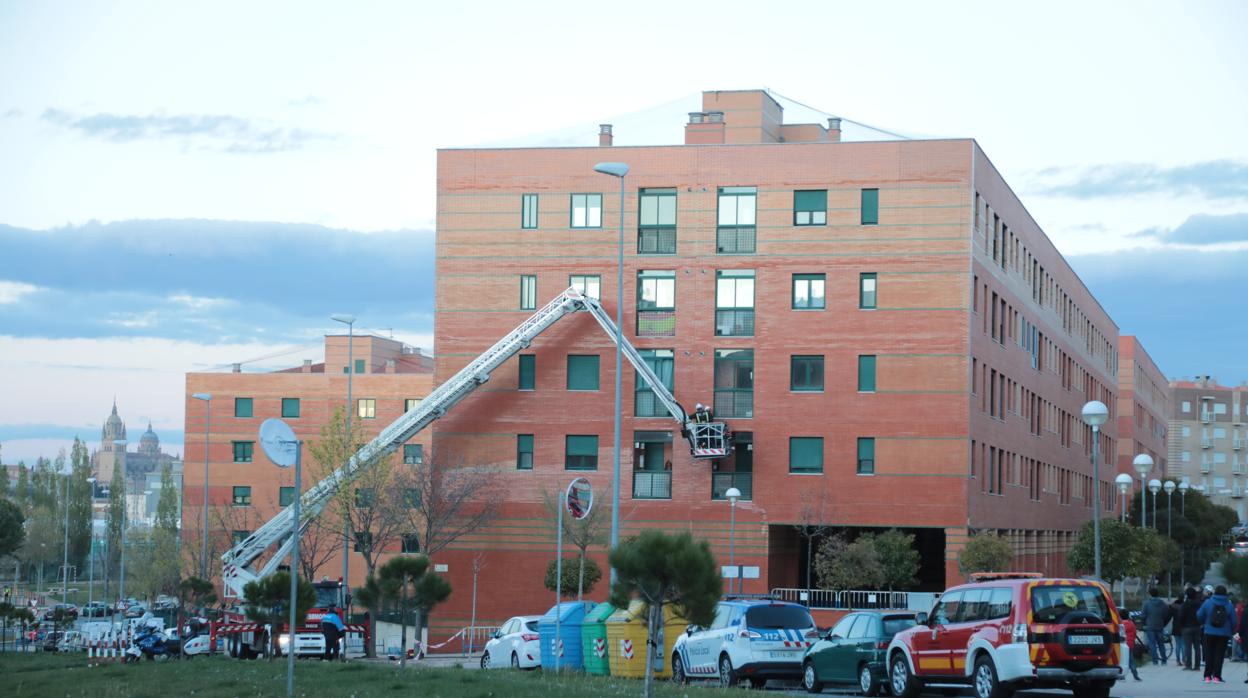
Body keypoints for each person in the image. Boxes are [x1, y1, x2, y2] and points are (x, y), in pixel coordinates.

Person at [1197, 584, 1237, 683]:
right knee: (1219, 655)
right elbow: (1234, 621)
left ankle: (1207, 676)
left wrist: (1204, 623)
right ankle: (1217, 676)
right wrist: (1230, 630)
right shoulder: (1229, 604)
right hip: (1224, 633)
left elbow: (1199, 615)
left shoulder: (1208, 602)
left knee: (1209, 653)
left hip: (1209, 632)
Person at [1141, 587, 1171, 665]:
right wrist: (1163, 623)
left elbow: (1143, 616)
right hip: (1160, 626)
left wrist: (1144, 623)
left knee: (1152, 644)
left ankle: (1155, 660)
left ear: (1150, 594)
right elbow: (1167, 615)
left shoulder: (1146, 604)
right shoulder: (1163, 604)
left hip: (1150, 626)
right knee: (1161, 643)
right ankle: (1164, 660)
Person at [1180, 586, 1204, 670]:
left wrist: (1182, 625)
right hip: (1197, 627)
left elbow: (1181, 616)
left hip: (1186, 627)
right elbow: (1202, 615)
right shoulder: (1199, 604)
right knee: (1197, 647)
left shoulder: (1185, 605)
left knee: (1188, 647)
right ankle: (1197, 666)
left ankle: (1188, 665)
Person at [1120, 608, 1142, 681]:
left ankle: (1122, 676)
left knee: (1121, 660)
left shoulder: (1120, 625)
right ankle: (1135, 675)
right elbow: (1135, 633)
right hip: (1130, 644)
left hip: (1122, 645)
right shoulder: (1131, 623)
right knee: (1131, 660)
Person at [1171, 593, 1186, 666]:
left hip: (1175, 626)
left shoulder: (1172, 606)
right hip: (1184, 626)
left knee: (1177, 644)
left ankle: (1177, 660)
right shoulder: (1185, 606)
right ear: (1183, 598)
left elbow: (1169, 616)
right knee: (1183, 644)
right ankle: (1184, 660)